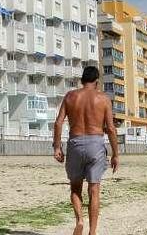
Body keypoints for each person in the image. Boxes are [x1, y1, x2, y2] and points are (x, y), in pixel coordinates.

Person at [53, 66, 119, 235]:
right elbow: (111, 129)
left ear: (82, 80)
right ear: (97, 82)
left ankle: (80, 220)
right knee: (94, 189)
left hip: (75, 143)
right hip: (96, 144)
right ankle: (93, 232)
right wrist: (115, 154)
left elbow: (58, 122)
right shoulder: (103, 99)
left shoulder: (70, 96)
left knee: (75, 188)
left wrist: (57, 146)